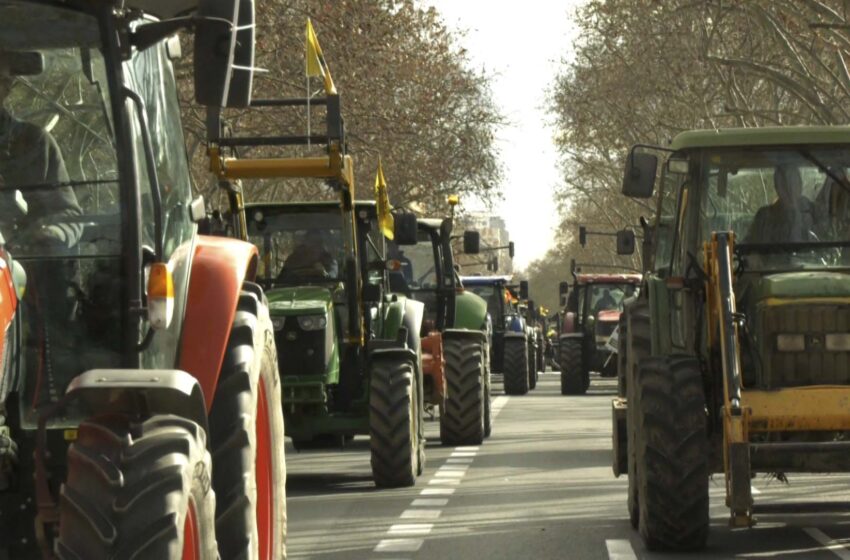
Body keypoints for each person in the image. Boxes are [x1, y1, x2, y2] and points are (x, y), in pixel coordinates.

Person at [0, 51, 82, 251]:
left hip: (18, 271)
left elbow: (67, 215)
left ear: (7, 87)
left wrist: (49, 235)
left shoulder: (33, 144)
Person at [744, 164, 815, 245]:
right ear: (777, 187)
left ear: (800, 185)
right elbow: (748, 247)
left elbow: (825, 246)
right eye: (783, 185)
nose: (789, 191)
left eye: (793, 183)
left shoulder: (814, 213)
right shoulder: (764, 218)